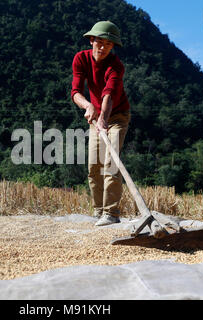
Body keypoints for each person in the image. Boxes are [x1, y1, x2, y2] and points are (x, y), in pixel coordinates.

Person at [71, 21, 131, 226]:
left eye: (108, 44)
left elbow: (109, 94)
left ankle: (111, 213)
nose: (103, 47)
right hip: (96, 117)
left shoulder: (116, 66)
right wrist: (88, 106)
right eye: (100, 42)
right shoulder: (81, 59)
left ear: (113, 46)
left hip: (117, 116)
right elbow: (75, 92)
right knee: (94, 167)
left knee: (111, 162)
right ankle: (99, 211)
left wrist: (104, 119)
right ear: (91, 40)